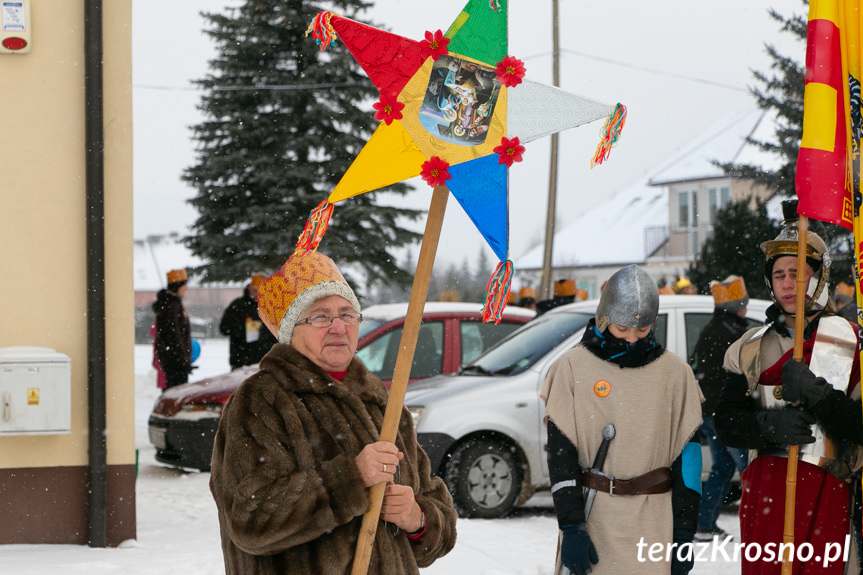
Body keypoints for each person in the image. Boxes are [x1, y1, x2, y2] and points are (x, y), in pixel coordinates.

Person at [209, 250, 457, 575]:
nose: (339, 327)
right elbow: (249, 519)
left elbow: (437, 517)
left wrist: (417, 518)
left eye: (347, 314)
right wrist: (350, 478)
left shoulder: (382, 402)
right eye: (320, 316)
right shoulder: (261, 399)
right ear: (290, 331)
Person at [714, 202, 863, 575]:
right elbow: (727, 422)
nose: (786, 282)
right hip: (766, 493)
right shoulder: (749, 346)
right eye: (778, 273)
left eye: (797, 272)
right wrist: (767, 427)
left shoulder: (850, 342)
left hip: (828, 492)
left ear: (819, 277)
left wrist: (821, 397)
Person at [541, 264, 703, 575]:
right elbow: (561, 456)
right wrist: (572, 525)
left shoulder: (675, 374)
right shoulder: (571, 368)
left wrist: (684, 533)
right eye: (622, 329)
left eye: (642, 331)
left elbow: (689, 461)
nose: (632, 339)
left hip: (655, 522)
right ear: (604, 320)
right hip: (595, 518)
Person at [692, 275, 751, 541]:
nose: (746, 309)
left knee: (723, 468)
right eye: (744, 304)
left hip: (709, 412)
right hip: (727, 413)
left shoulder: (710, 329)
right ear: (736, 307)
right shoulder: (734, 334)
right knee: (749, 470)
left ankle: (704, 523)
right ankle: (757, 524)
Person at [218, 273, 277, 369]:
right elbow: (224, 328)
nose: (257, 295)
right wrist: (244, 329)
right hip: (241, 362)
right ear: (248, 287)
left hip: (266, 364)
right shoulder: (237, 305)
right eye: (254, 291)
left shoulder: (272, 308)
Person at [153, 268, 193, 389]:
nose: (186, 288)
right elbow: (173, 335)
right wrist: (182, 360)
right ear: (177, 286)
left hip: (173, 360)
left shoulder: (172, 304)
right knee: (176, 396)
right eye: (183, 285)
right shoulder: (171, 306)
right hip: (174, 362)